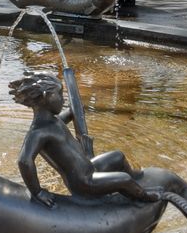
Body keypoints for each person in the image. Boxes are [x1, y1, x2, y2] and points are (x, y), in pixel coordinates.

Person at [9, 71, 160, 206]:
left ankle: (137, 179)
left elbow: (68, 115)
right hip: (84, 182)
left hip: (90, 167)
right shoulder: (38, 132)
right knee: (123, 180)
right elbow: (24, 161)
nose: (63, 99)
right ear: (44, 97)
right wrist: (38, 191)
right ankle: (143, 197)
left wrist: (76, 107)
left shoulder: (52, 121)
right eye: (60, 94)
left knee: (118, 157)